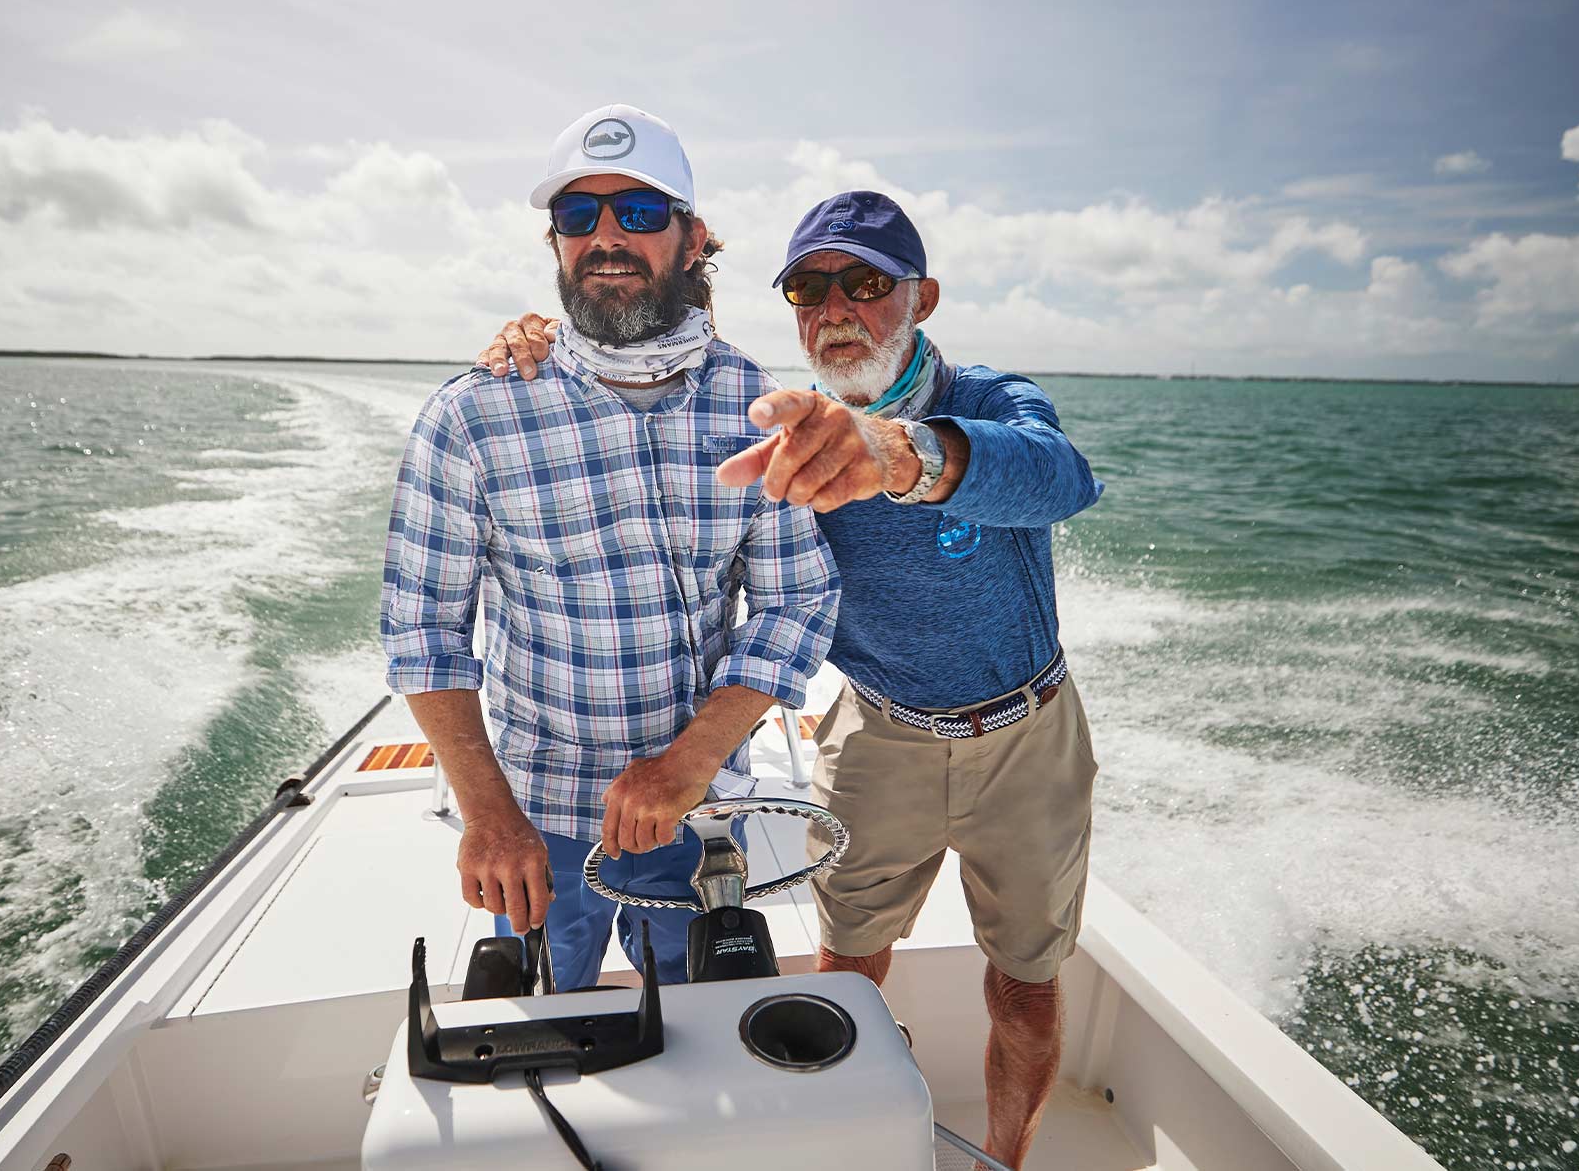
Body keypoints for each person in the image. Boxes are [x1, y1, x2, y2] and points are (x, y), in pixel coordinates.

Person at [476, 189, 1103, 1167]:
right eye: (810, 289)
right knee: (844, 969)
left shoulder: (987, 402)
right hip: (875, 735)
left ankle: (1005, 1158)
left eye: (865, 284)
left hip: (1028, 738)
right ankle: (837, 1143)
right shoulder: (780, 430)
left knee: (1024, 985)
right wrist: (542, 341)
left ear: (920, 296)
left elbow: (1061, 476)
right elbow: (657, 372)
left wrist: (900, 452)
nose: (835, 308)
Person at [381, 103, 839, 992]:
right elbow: (422, 630)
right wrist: (488, 813)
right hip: (532, 819)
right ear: (554, 241)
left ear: (692, 236)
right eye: (578, 216)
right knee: (546, 1025)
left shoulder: (756, 405)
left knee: (700, 1027)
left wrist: (686, 765)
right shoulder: (474, 415)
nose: (606, 237)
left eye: (637, 213)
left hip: (696, 809)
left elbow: (796, 602)